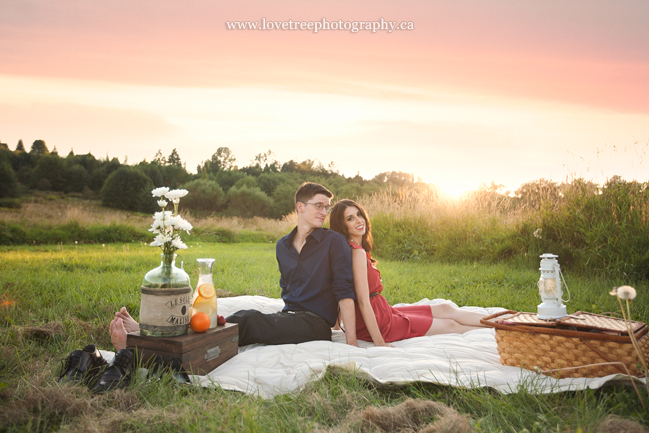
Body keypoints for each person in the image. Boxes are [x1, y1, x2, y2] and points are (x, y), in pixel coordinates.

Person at [109, 182, 359, 349]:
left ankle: (140, 345)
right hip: (289, 317)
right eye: (319, 205)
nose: (324, 211)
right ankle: (153, 331)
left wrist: (352, 343)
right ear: (300, 207)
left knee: (247, 320)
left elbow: (344, 292)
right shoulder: (282, 245)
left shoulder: (333, 241)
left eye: (326, 207)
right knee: (220, 319)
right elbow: (289, 289)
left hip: (314, 325)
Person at [329, 199, 488, 347]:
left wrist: (337, 325)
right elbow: (363, 301)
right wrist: (380, 343)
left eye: (359, 214)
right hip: (378, 321)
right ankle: (496, 329)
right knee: (450, 325)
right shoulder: (356, 253)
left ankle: (499, 322)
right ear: (342, 226)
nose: (358, 220)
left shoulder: (355, 250)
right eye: (350, 218)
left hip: (383, 310)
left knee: (446, 308)